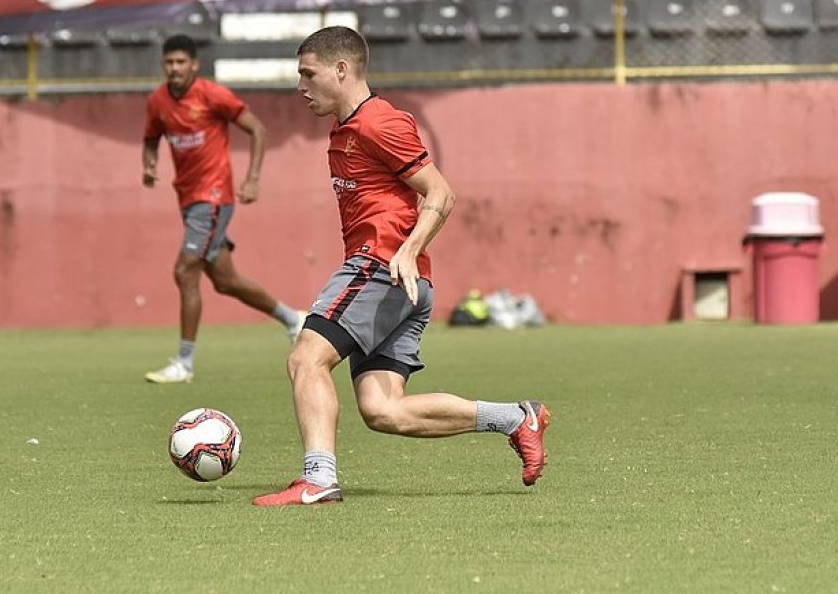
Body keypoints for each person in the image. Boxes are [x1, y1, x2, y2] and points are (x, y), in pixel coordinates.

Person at [252, 25, 550, 507]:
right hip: (401, 279)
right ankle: (517, 418)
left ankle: (318, 478)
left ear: (341, 69)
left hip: (382, 265)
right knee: (382, 409)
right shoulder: (346, 128)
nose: (300, 86)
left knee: (306, 358)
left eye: (308, 74)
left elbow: (442, 192)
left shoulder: (378, 123)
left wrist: (407, 249)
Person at [141, 34, 304, 383]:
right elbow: (151, 137)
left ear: (194, 64)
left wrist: (253, 179)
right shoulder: (157, 101)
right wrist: (149, 163)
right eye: (169, 62)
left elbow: (257, 130)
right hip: (187, 198)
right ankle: (294, 320)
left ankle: (183, 363)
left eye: (181, 62)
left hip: (213, 197)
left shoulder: (212, 95)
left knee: (185, 271)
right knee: (226, 281)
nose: (174, 69)